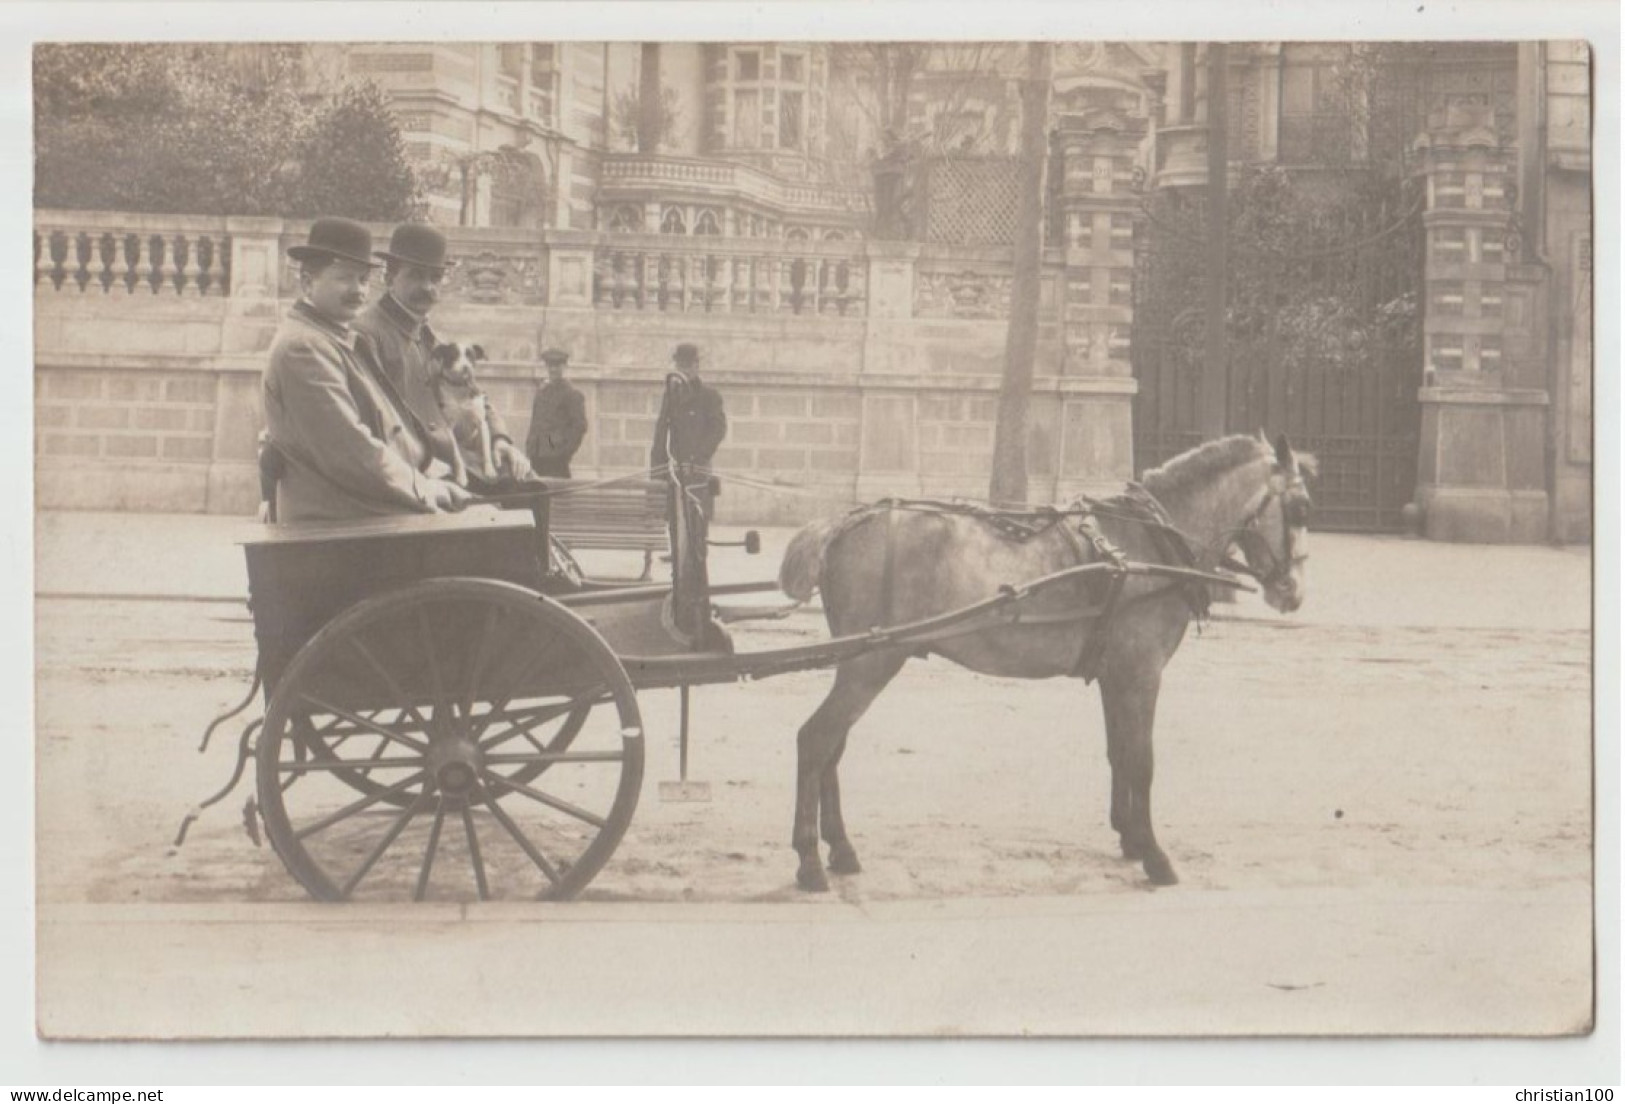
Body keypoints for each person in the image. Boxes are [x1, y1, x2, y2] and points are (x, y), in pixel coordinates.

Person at [262, 217, 470, 522]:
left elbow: (386, 426)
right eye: (344, 278)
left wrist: (426, 469)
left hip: (360, 503)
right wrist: (423, 487)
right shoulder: (303, 347)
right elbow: (348, 449)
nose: (358, 290)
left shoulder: (334, 337)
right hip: (336, 517)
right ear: (307, 282)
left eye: (362, 279)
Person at [354, 222, 532, 486]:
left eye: (434, 278)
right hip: (417, 473)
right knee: (524, 498)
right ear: (389, 278)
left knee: (529, 484)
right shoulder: (367, 334)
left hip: (453, 464)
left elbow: (474, 394)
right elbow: (373, 423)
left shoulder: (430, 338)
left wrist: (500, 439)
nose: (427, 287)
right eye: (415, 275)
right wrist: (423, 472)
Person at [650, 343, 727, 641]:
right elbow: (661, 431)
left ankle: (699, 602)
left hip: (697, 473)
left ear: (697, 365)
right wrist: (658, 466)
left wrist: (696, 459)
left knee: (696, 539)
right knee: (676, 534)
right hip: (674, 473)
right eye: (680, 363)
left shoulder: (709, 396)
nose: (684, 368)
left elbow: (718, 429)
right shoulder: (671, 395)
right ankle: (680, 600)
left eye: (688, 363)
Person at [525, 348, 588, 478]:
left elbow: (579, 427)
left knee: (557, 494)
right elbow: (535, 423)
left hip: (556, 460)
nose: (553, 369)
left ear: (564, 366)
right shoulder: (542, 392)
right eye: (550, 365)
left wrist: (565, 452)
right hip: (536, 456)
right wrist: (530, 447)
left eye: (557, 365)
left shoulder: (572, 394)